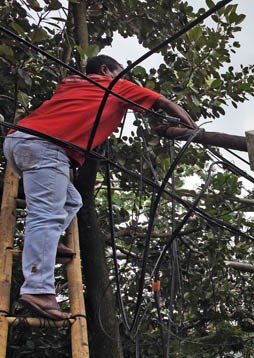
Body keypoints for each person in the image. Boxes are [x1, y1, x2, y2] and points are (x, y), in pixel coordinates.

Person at [2, 54, 196, 320]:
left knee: (72, 201)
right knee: (46, 215)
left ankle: (41, 243)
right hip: (46, 147)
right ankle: (37, 290)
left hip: (21, 142)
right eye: (121, 73)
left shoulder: (75, 84)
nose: (126, 80)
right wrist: (192, 127)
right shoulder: (113, 85)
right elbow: (162, 101)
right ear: (106, 70)